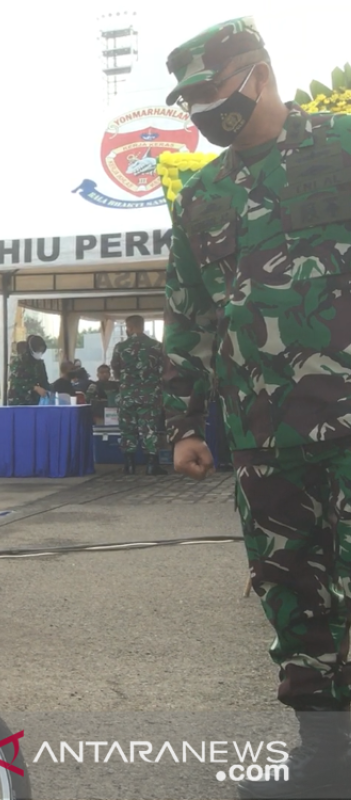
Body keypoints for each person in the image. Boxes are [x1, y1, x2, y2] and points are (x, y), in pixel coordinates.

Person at [162, 17, 351, 798]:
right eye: (194, 99)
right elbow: (189, 317)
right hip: (266, 441)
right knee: (294, 594)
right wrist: (179, 424)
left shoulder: (339, 148)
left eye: (215, 89)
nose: (207, 109)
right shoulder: (202, 197)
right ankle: (328, 760)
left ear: (259, 74)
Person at [111, 315, 166, 476]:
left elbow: (115, 369)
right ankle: (151, 465)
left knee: (127, 429)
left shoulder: (120, 347)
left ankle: (129, 465)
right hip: (149, 395)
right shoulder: (156, 346)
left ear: (130, 327)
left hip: (127, 395)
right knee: (149, 429)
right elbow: (163, 370)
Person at [6, 336, 49, 405]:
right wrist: (34, 388)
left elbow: (44, 382)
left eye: (41, 351)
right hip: (18, 401)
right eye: (38, 350)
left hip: (34, 402)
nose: (39, 353)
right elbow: (16, 382)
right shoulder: (18, 361)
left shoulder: (39, 364)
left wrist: (53, 390)